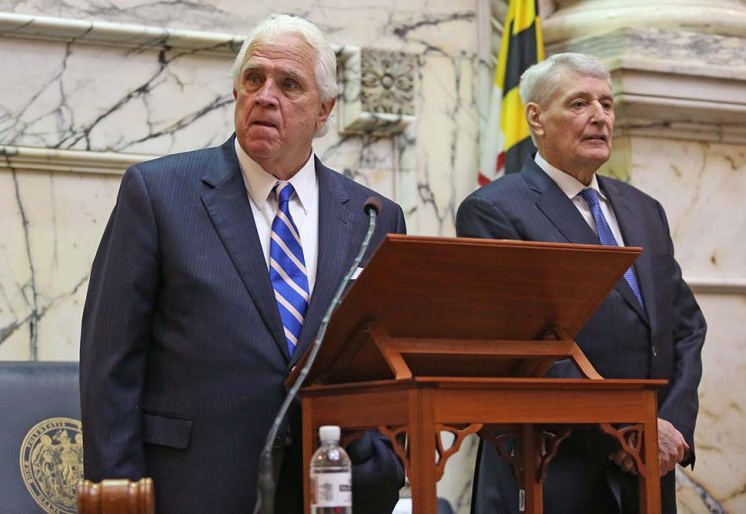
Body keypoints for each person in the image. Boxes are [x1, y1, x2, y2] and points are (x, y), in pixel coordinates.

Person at [80, 14, 405, 514]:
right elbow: (111, 363)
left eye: (289, 84)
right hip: (189, 489)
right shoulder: (159, 193)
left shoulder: (373, 218)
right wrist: (121, 497)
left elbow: (390, 367)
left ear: (325, 111)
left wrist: (384, 462)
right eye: (254, 79)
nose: (265, 96)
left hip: (328, 492)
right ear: (236, 93)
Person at [457, 53, 706, 513]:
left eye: (607, 104)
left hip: (648, 468)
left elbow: (686, 328)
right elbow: (523, 344)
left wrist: (670, 425)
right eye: (579, 103)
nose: (599, 117)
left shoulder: (644, 209)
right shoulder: (495, 210)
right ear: (535, 118)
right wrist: (625, 429)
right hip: (551, 470)